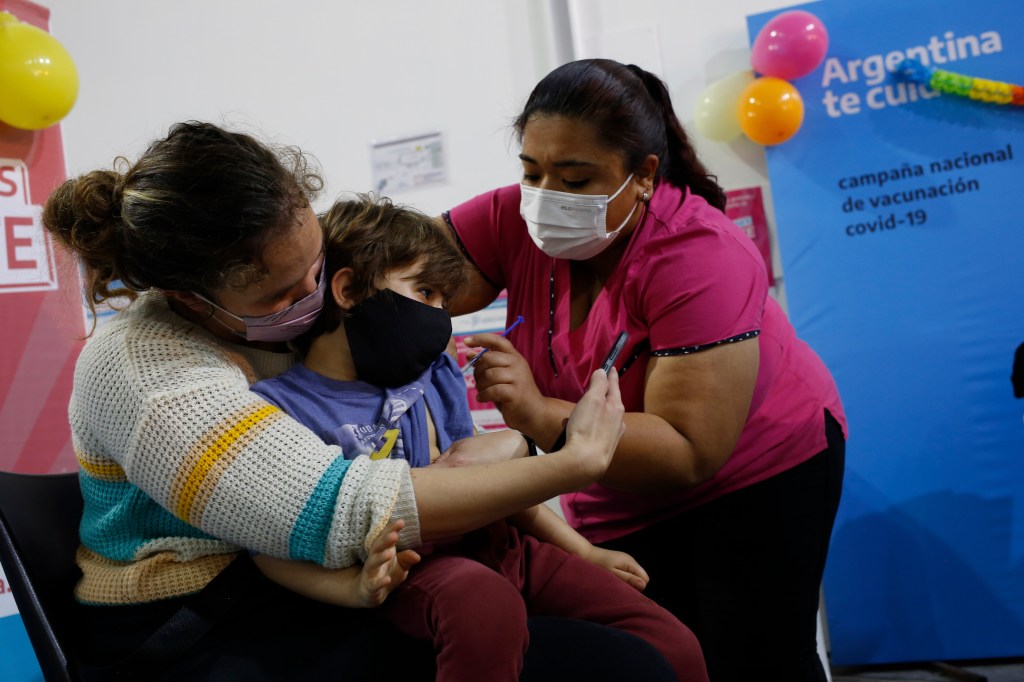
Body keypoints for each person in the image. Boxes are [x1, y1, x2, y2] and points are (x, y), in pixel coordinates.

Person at [41, 120, 684, 681]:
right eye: (281, 292)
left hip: (336, 575)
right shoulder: (145, 371)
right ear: (189, 298)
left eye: (319, 269)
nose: (316, 296)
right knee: (603, 663)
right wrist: (567, 463)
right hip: (201, 614)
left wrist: (514, 446)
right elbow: (336, 511)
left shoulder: (291, 324)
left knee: (634, 649)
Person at [442, 59, 848, 682]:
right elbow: (402, 273)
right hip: (614, 487)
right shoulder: (510, 221)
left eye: (576, 180)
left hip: (757, 471)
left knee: (753, 658)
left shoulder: (696, 254)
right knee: (662, 659)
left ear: (643, 176)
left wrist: (535, 413)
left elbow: (688, 448)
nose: (547, 196)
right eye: (531, 172)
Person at [249, 193, 707, 682]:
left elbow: (498, 488)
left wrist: (584, 552)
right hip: (416, 569)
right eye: (425, 293)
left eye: (445, 302)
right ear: (348, 289)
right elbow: (269, 546)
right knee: (483, 603)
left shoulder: (434, 371)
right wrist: (350, 588)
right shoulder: (281, 409)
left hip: (505, 546)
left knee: (672, 643)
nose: (440, 317)